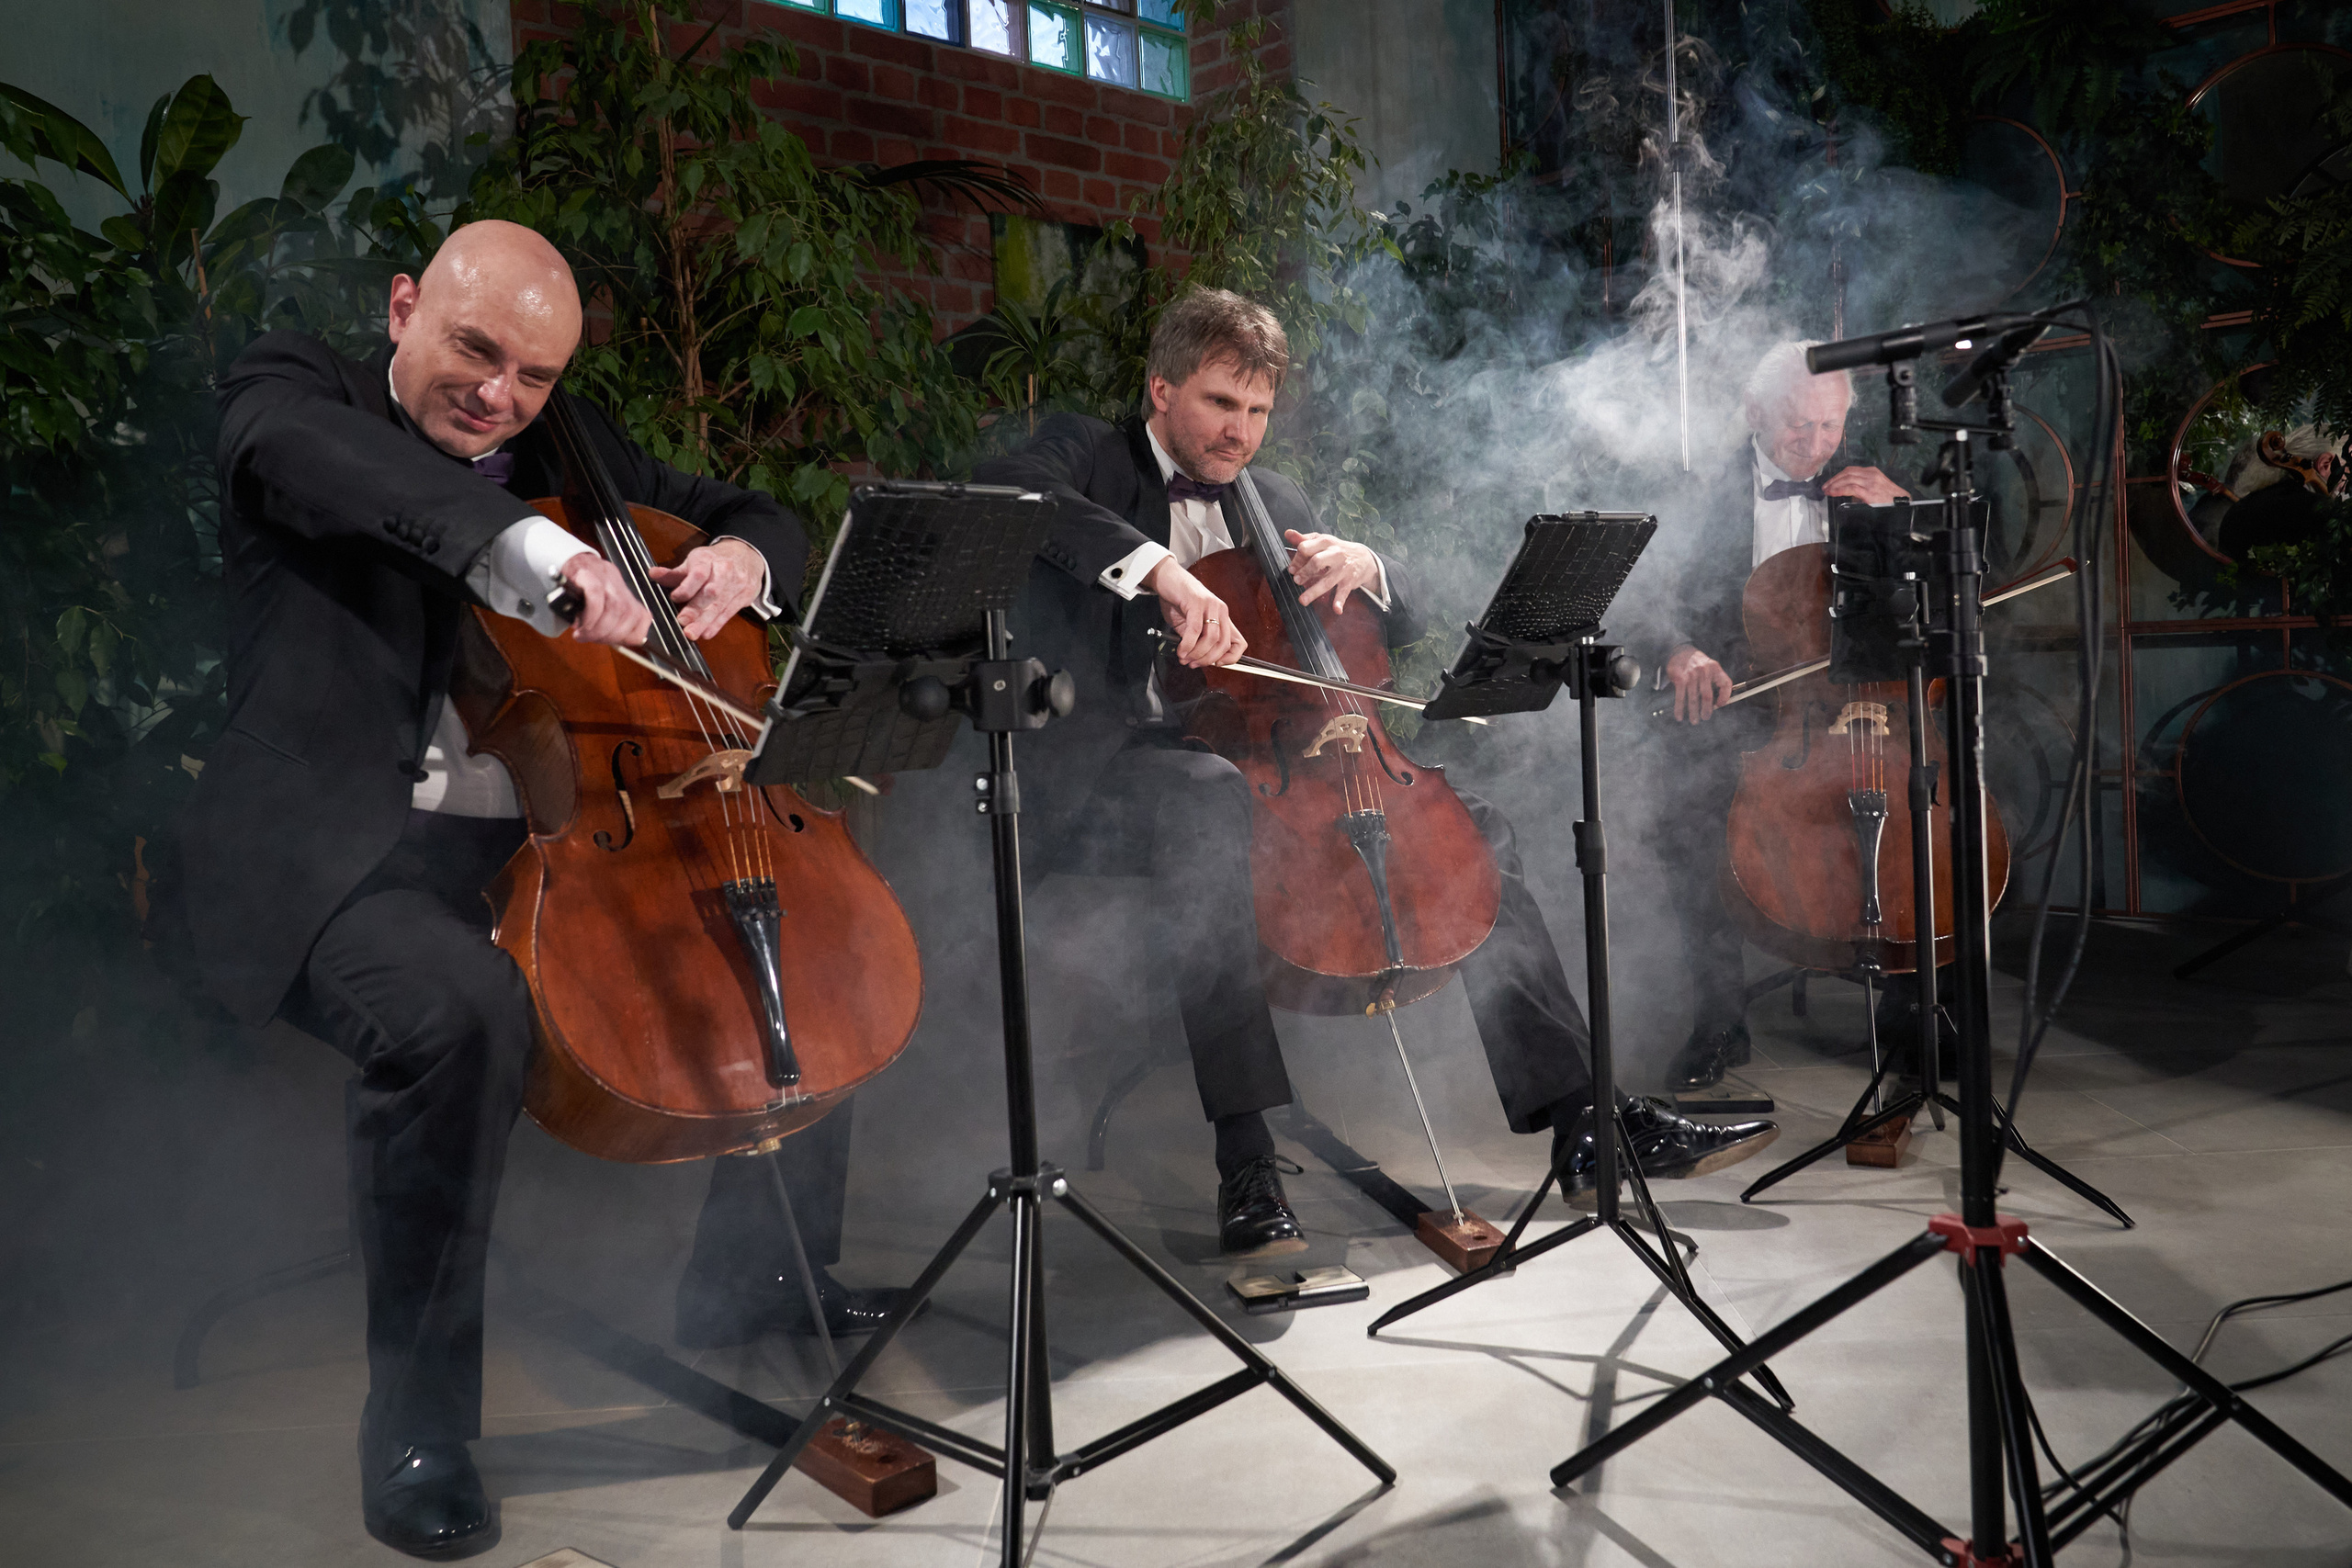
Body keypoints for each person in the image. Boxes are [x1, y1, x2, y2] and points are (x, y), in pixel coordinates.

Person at [159, 220, 898, 1558]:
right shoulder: (293, 392)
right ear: (403, 309)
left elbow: (742, 506)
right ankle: (422, 1427)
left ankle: (756, 1276)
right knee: (459, 1010)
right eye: (475, 350)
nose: (500, 395)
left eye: (535, 375)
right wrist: (537, 556)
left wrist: (745, 560)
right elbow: (335, 470)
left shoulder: (577, 444)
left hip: (556, 837)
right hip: (350, 854)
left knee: (776, 910)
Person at [974, 288, 1777, 1259]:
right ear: (1161, 389)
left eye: (1258, 412)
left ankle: (1584, 1125)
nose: (1241, 434)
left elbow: (1371, 632)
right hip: (1113, 767)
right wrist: (1165, 574)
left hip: (1276, 760)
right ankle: (1247, 1155)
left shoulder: (1276, 506)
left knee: (1468, 829)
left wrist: (1376, 566)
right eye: (1221, 405)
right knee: (1207, 810)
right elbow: (1017, 496)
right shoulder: (1086, 457)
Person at [1648, 341, 1917, 1093]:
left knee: (1913, 814)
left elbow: (1946, 599)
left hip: (1857, 712)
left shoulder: (1876, 480)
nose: (1817, 444)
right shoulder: (1700, 496)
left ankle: (1913, 1016)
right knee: (1684, 813)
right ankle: (1718, 1019)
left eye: (1830, 426)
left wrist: (1903, 517)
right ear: (1754, 412)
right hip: (1744, 709)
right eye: (1799, 425)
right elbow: (1651, 597)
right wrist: (1679, 649)